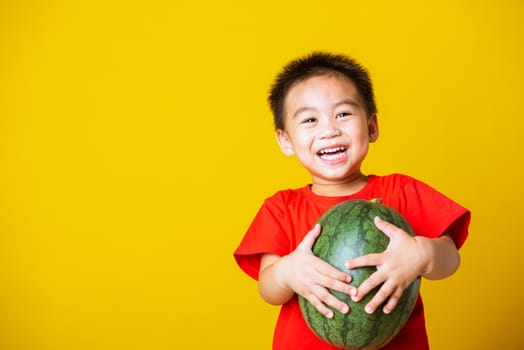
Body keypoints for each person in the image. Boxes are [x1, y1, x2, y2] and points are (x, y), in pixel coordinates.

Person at [233, 51, 471, 350]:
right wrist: (287, 273)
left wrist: (422, 254)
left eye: (343, 114)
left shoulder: (401, 191)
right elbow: (268, 288)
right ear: (285, 141)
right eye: (309, 119)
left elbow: (451, 258)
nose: (329, 130)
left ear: (371, 127)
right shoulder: (282, 208)